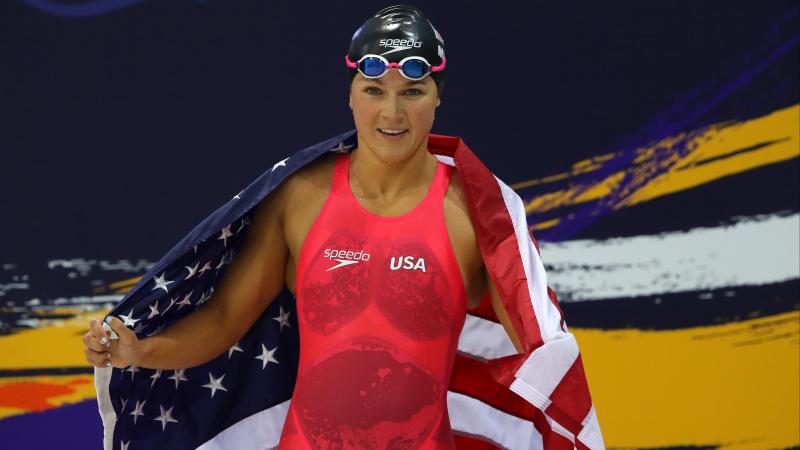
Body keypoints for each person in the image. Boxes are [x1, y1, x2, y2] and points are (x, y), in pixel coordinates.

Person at [83, 5, 602, 449]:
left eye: (413, 91)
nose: (392, 112)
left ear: (438, 97)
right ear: (351, 94)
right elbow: (224, 320)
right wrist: (140, 352)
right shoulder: (300, 197)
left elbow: (540, 353)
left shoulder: (475, 214)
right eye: (374, 90)